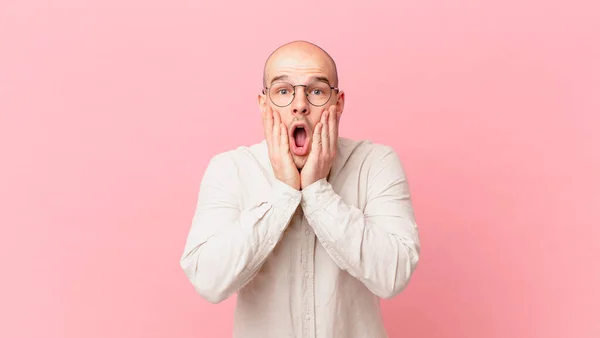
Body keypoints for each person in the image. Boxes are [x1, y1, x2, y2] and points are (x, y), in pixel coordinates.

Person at [180, 40, 421, 338]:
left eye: (317, 91)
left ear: (339, 103)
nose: (299, 104)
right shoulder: (230, 169)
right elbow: (209, 281)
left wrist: (318, 190)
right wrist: (283, 192)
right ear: (263, 104)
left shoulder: (376, 163)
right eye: (283, 91)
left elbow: (393, 276)